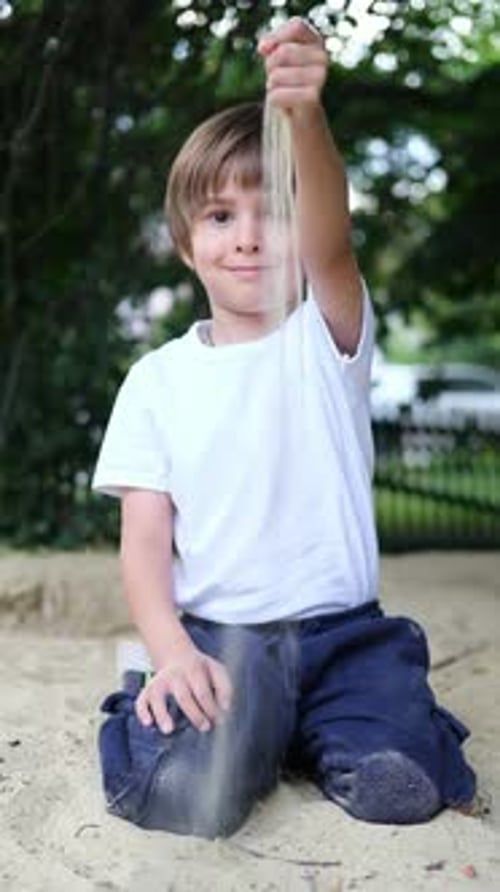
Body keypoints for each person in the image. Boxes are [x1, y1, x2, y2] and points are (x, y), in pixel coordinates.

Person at [92, 18, 476, 838]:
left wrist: (302, 116)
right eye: (220, 216)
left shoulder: (325, 339)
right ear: (185, 244)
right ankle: (170, 699)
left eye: (273, 213)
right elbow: (145, 543)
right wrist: (172, 650)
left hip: (348, 638)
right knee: (183, 793)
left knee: (401, 786)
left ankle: (332, 726)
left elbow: (333, 242)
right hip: (221, 639)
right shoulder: (156, 380)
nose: (247, 237)